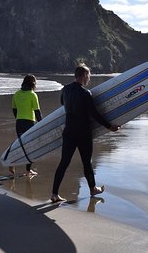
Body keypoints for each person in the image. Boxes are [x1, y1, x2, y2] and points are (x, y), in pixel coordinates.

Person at [50, 64, 119, 203]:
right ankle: (93, 189)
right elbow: (94, 114)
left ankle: (54, 194)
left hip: (68, 132)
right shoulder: (85, 93)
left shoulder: (65, 89)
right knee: (87, 162)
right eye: (88, 75)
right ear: (83, 75)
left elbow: (63, 103)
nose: (89, 78)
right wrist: (109, 126)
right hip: (83, 133)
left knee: (64, 163)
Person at [9, 74, 42, 176]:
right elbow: (37, 112)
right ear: (32, 84)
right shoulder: (33, 95)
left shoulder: (16, 94)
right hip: (29, 123)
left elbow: (14, 109)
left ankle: (11, 162)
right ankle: (28, 170)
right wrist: (41, 124)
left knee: (20, 145)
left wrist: (18, 118)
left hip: (19, 123)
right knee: (30, 147)